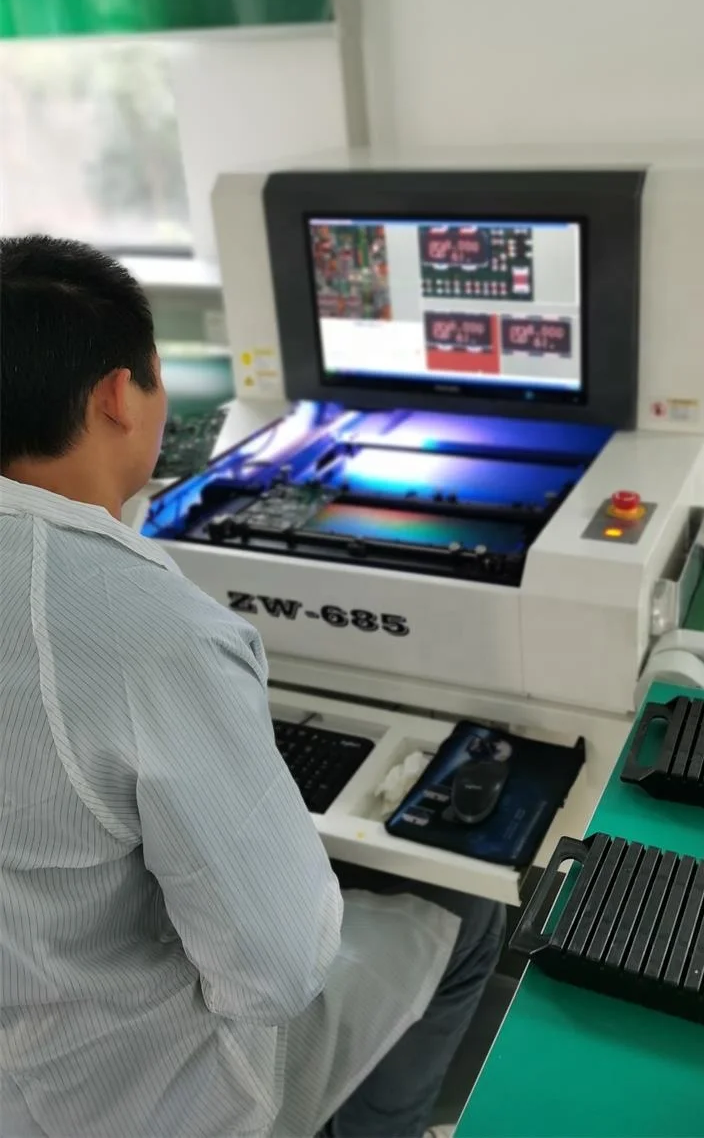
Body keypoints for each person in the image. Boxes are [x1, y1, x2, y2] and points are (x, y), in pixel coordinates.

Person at [0, 236, 504, 1138]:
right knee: (468, 910)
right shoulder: (150, 631)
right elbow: (277, 973)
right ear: (120, 394)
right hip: (141, 1091)